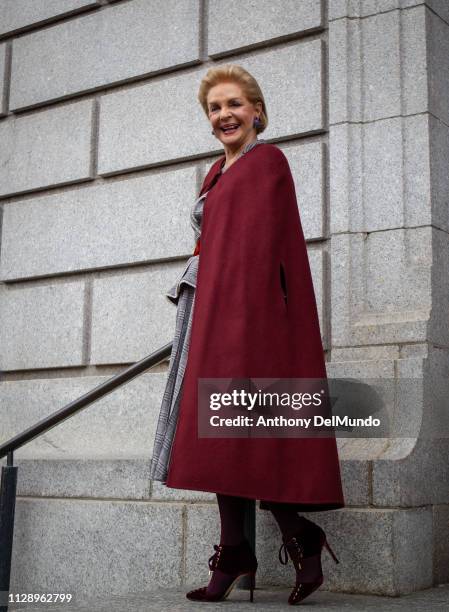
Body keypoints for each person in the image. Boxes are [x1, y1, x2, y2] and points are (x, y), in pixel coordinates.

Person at [149, 64, 344, 605]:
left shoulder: (267, 163)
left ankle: (291, 537)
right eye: (214, 108)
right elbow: (213, 249)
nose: (223, 115)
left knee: (241, 426)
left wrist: (242, 324)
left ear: (256, 111)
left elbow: (262, 256)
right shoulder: (215, 173)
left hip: (248, 321)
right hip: (210, 315)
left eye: (234, 104)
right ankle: (241, 549)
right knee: (223, 432)